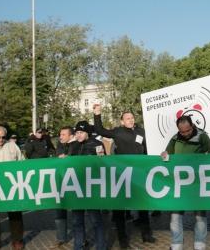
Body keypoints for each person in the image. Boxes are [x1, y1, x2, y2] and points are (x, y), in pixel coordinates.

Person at [91, 104, 156, 248]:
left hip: (139, 173)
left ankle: (146, 235)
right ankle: (123, 239)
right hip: (122, 174)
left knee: (143, 205)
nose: (131, 120)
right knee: (120, 207)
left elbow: (149, 148)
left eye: (132, 118)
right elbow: (100, 130)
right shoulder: (118, 132)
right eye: (127, 118)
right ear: (122, 121)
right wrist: (97, 114)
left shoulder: (141, 131)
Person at [161, 115, 210, 250]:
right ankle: (177, 243)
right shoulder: (175, 138)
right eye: (181, 131)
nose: (184, 134)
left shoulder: (202, 136)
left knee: (200, 215)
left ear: (193, 126)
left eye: (187, 131)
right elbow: (167, 153)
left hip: (198, 183)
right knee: (175, 215)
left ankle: (200, 242)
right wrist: (165, 155)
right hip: (179, 183)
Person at [67, 120, 106, 250]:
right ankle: (78, 246)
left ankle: (101, 246)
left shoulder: (97, 144)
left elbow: (103, 163)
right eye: (76, 132)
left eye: (81, 132)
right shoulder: (73, 146)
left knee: (95, 220)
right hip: (77, 189)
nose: (78, 135)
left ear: (87, 133)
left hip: (91, 189)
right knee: (77, 221)